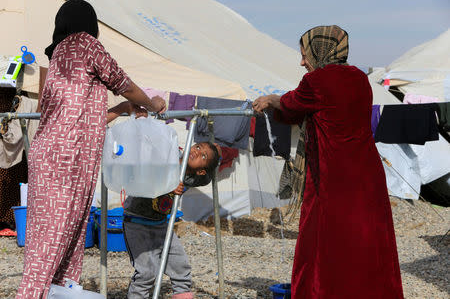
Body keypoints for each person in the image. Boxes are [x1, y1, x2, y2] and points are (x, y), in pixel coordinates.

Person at [16, 0, 166, 298]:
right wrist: (152, 103)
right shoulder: (84, 43)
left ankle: (59, 290)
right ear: (89, 22)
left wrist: (123, 107)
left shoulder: (59, 54)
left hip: (60, 155)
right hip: (66, 157)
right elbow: (123, 81)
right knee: (51, 239)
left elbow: (86, 116)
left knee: (68, 233)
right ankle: (31, 294)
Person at [253, 25, 404, 298]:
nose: (301, 62)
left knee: (327, 243)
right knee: (366, 242)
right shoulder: (359, 77)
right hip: (367, 174)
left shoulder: (317, 81)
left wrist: (270, 99)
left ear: (319, 51)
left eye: (304, 54)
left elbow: (290, 106)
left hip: (333, 177)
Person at [123, 142, 220, 299]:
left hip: (161, 225)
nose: (197, 152)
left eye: (203, 156)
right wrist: (167, 185)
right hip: (137, 222)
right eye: (198, 147)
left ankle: (182, 295)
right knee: (146, 273)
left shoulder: (192, 178)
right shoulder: (169, 159)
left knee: (180, 266)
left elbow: (208, 176)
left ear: (201, 170)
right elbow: (145, 178)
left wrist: (218, 153)